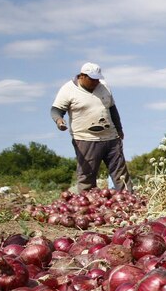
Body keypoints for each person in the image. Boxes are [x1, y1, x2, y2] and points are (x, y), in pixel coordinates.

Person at [51, 62, 133, 193]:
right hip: (85, 139)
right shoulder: (68, 89)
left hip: (111, 137)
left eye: (97, 79)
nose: (96, 82)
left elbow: (112, 109)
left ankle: (129, 201)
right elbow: (56, 110)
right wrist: (59, 121)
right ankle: (88, 205)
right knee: (87, 175)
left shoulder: (104, 86)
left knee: (120, 174)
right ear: (82, 76)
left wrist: (119, 129)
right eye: (92, 79)